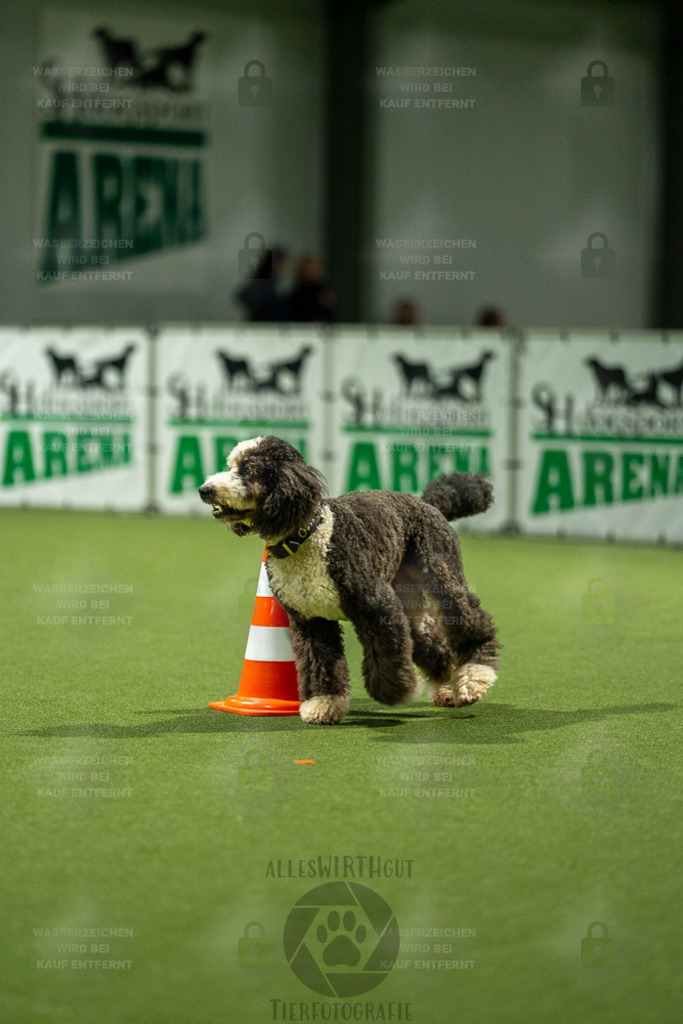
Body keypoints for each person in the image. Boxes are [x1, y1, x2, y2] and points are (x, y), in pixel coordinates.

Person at [236, 245, 289, 322]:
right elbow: (244, 295)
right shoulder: (265, 280)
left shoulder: (268, 279)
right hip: (262, 325)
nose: (284, 268)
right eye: (282, 264)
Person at [287, 256, 336, 323]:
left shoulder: (324, 291)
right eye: (308, 268)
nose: (312, 270)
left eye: (314, 267)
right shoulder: (298, 293)